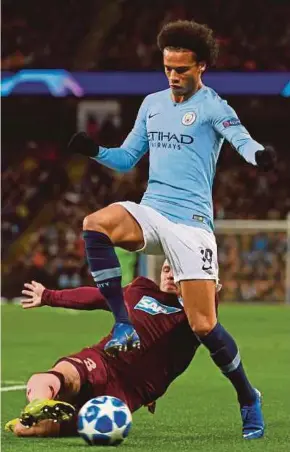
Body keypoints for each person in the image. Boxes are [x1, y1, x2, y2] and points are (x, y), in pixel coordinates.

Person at [68, 20, 275, 438]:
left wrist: (259, 157)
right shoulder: (151, 104)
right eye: (167, 68)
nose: (173, 76)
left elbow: (242, 140)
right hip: (153, 207)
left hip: (192, 224)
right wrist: (94, 151)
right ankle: (123, 322)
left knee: (202, 325)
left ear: (201, 67)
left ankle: (247, 396)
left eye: (181, 69)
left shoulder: (215, 106)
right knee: (95, 224)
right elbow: (127, 159)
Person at [6, 261, 203, 437]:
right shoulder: (140, 289)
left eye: (177, 272)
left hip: (128, 391)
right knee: (63, 375)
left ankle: (30, 420)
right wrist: (48, 296)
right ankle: (38, 404)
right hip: (104, 359)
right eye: (167, 269)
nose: (169, 275)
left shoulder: (193, 317)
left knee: (27, 430)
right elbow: (97, 297)